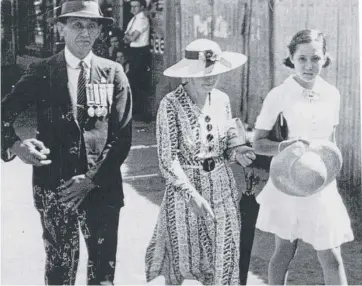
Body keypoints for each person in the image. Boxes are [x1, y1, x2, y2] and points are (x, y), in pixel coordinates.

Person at [1, 0, 132, 285]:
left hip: (102, 188)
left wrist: (91, 178)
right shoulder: (42, 71)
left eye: (92, 25)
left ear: (99, 31)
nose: (85, 32)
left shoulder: (113, 73)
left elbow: (121, 136)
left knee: (103, 274)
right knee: (59, 272)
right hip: (55, 189)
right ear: (61, 29)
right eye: (77, 25)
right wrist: (15, 145)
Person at [145, 38, 256, 285]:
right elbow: (167, 158)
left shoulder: (222, 100)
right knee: (182, 262)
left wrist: (238, 153)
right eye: (202, 72)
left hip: (222, 187)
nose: (210, 77)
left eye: (214, 72)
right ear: (188, 74)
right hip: (185, 192)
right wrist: (190, 194)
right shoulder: (170, 104)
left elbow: (225, 147)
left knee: (225, 258)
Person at [253, 29, 354, 285]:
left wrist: (328, 175)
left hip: (321, 185)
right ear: (291, 58)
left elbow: (330, 142)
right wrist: (284, 147)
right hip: (288, 181)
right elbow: (258, 143)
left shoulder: (332, 93)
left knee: (332, 257)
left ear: (325, 58)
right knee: (284, 253)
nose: (309, 66)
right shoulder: (279, 94)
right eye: (302, 59)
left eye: (316, 58)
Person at [123, 0, 151, 121]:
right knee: (133, 81)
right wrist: (127, 37)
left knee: (139, 83)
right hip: (134, 52)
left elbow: (132, 37)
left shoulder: (142, 19)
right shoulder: (134, 19)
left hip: (140, 52)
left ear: (142, 7)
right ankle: (135, 111)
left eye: (135, 6)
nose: (132, 9)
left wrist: (128, 37)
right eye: (131, 6)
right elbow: (126, 37)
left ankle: (141, 113)